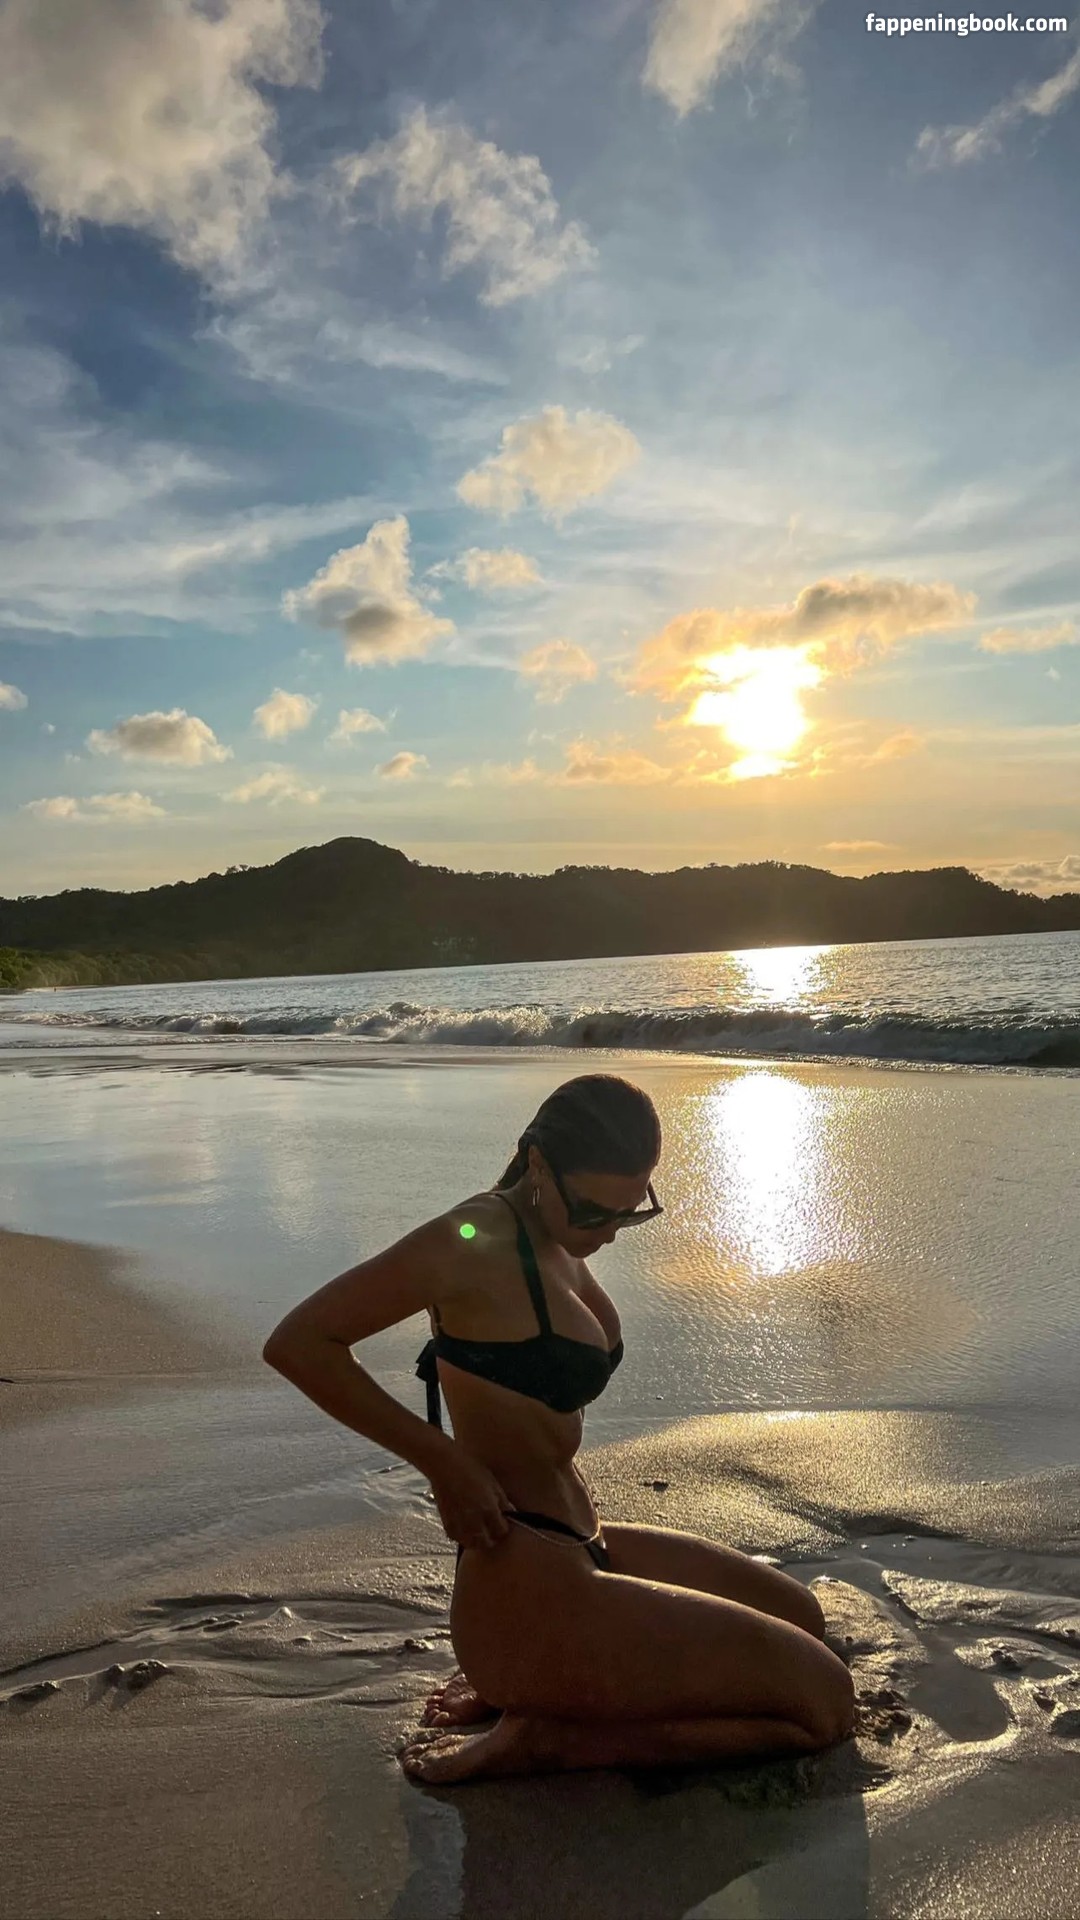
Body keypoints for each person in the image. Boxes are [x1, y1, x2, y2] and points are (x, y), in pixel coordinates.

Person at [262, 1072, 854, 1784]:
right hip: (525, 1585)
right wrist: (444, 1464)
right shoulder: (469, 1240)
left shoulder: (557, 1229)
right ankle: (552, 1736)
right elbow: (300, 1343)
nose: (606, 1233)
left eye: (630, 1213)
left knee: (802, 1615)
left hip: (582, 1545)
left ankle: (556, 1686)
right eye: (596, 1212)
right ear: (538, 1165)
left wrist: (590, 1219)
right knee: (824, 1702)